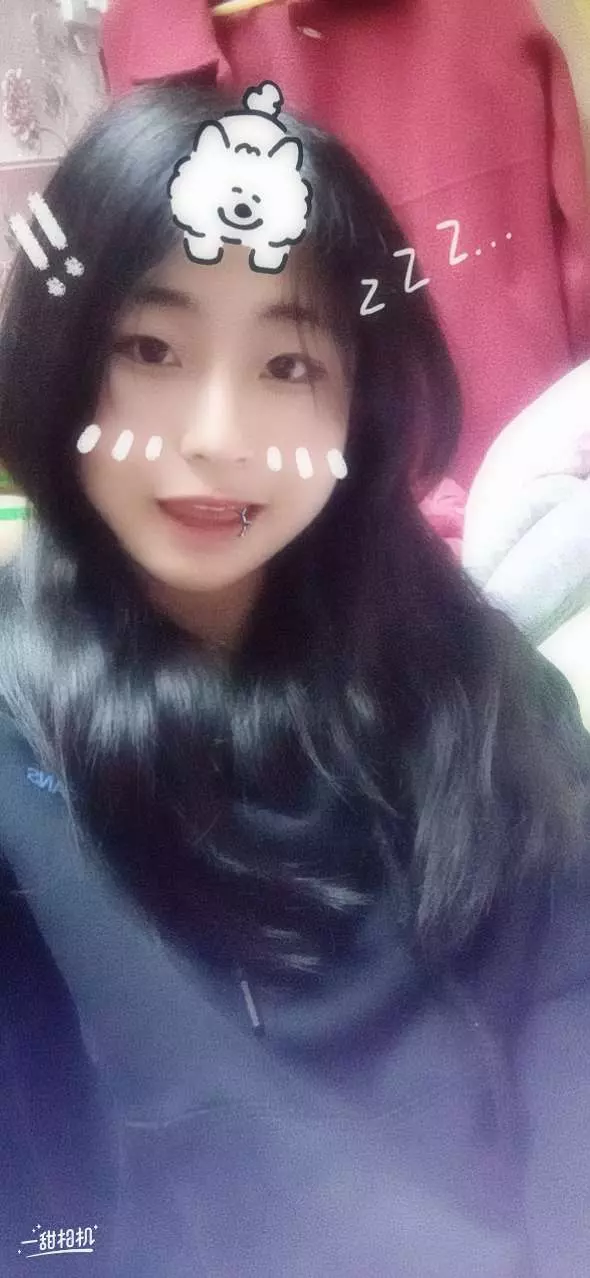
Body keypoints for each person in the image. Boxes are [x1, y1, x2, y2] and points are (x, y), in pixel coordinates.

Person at [0, 82, 589, 1278]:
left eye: (285, 363)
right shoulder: (22, 765)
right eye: (150, 349)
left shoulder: (482, 688)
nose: (217, 434)